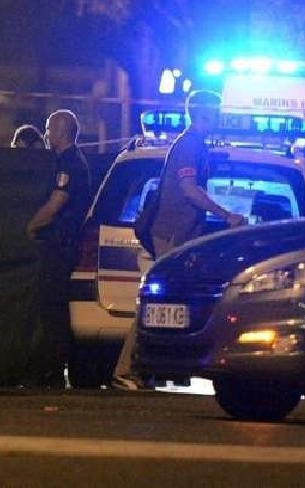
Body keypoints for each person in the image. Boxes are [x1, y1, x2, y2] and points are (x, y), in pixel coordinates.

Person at [113, 90, 246, 390]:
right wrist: (226, 214)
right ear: (204, 113)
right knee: (158, 304)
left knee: (168, 304)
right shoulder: (189, 146)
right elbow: (188, 189)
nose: (220, 116)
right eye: (216, 111)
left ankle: (149, 368)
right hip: (173, 235)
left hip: (181, 234)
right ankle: (127, 369)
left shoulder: (194, 145)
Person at [24, 110, 92, 388]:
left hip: (60, 243)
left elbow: (55, 205)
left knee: (52, 308)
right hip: (67, 242)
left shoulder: (68, 163)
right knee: (55, 308)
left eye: (49, 129)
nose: (46, 134)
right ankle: (54, 366)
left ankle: (51, 370)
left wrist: (31, 226)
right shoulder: (75, 161)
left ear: (61, 132)